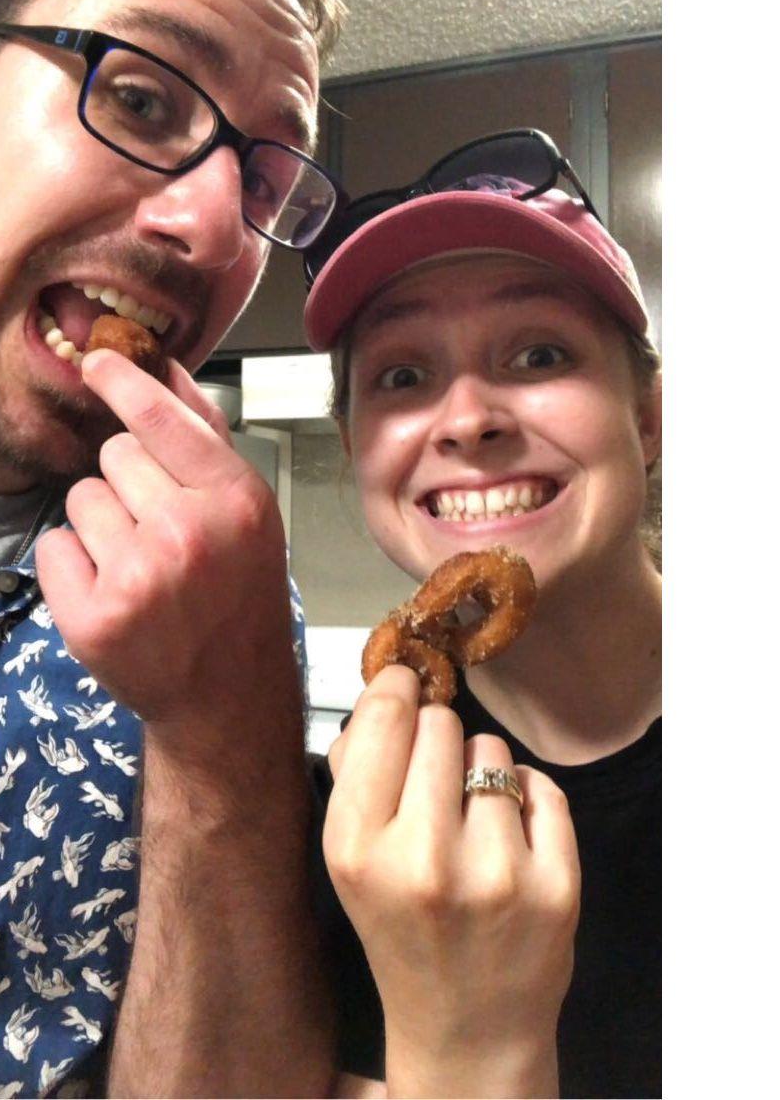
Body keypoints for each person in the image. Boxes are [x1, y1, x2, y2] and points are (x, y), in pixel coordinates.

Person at [0, 0, 347, 1097]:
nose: (215, 227)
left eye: (262, 184)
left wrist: (224, 736)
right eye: (143, 96)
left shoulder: (217, 607)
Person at [301, 130, 662, 1097]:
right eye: (403, 377)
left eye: (539, 353)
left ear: (649, 419)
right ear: (355, 451)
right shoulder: (351, 827)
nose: (466, 418)